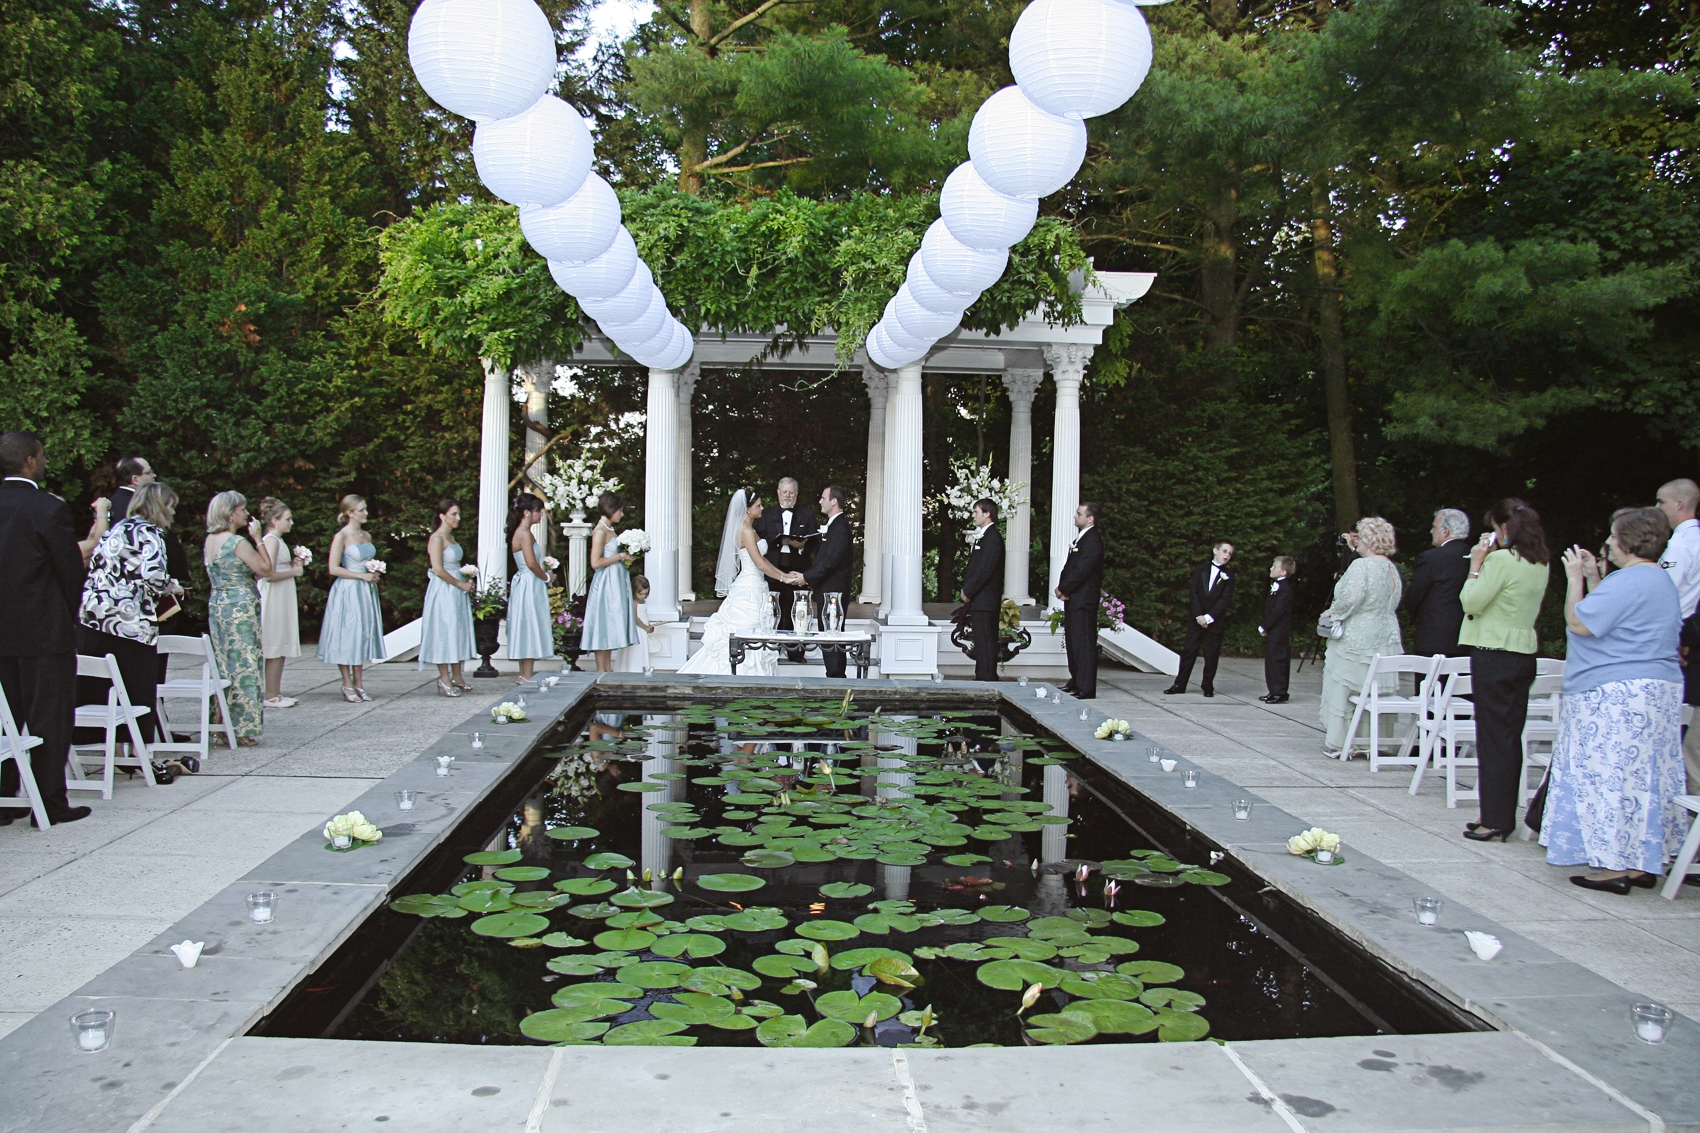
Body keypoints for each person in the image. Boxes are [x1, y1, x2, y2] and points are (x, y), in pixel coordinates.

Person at [1543, 508, 1686, 893]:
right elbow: (1618, 617)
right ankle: (1641, 860)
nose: (1608, 543)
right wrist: (1594, 577)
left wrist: (1574, 580)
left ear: (1625, 542)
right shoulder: (1656, 579)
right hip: (1657, 689)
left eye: (1612, 537)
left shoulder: (1630, 581)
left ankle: (1614, 865)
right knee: (1642, 777)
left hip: (1616, 693)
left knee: (1608, 775)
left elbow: (1580, 622)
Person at [0, 432, 91, 825]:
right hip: (43, 630)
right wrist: (66, 617)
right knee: (48, 718)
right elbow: (69, 570)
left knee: (5, 718)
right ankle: (49, 802)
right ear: (31, 462)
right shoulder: (46, 508)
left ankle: (4, 797)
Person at [1454, 498, 1552, 840]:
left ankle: (1495, 818)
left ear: (1505, 528)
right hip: (1523, 653)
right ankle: (1498, 814)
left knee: (1493, 738)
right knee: (1510, 737)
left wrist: (1476, 565)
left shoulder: (1499, 560)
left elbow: (1472, 601)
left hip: (1493, 653)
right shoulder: (1540, 561)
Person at [76, 482, 182, 773]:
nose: (172, 513)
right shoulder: (150, 533)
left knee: (103, 686)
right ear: (160, 507)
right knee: (138, 688)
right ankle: (139, 752)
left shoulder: (117, 528)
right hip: (130, 623)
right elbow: (153, 576)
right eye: (171, 506)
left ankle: (113, 747)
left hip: (95, 618)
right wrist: (175, 587)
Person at [679, 490, 793, 675]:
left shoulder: (749, 529)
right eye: (758, 505)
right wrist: (784, 578)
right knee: (749, 628)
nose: (762, 508)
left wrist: (784, 575)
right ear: (747, 509)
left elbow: (763, 562)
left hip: (756, 583)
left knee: (758, 628)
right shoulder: (745, 531)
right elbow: (759, 563)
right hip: (749, 587)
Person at [1318, 518, 1403, 758]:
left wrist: (1333, 613)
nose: (1357, 541)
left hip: (1357, 636)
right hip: (1386, 634)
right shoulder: (1391, 568)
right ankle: (1373, 741)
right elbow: (1393, 602)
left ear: (1369, 540)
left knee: (1345, 687)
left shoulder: (1362, 566)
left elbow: (1351, 598)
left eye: (1361, 536)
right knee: (1374, 690)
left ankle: (1342, 741)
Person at [203, 491, 271, 745]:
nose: (246, 513)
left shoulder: (211, 540)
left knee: (223, 664)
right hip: (240, 605)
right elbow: (266, 569)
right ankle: (243, 727)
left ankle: (219, 723)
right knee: (245, 664)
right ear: (231, 513)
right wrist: (258, 539)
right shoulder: (237, 542)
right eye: (242, 509)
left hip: (218, 603)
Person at [317, 494, 386, 701]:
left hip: (365, 591)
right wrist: (361, 575)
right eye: (361, 510)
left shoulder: (366, 536)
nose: (365, 513)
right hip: (348, 589)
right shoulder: (342, 536)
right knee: (348, 634)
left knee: (362, 633)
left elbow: (368, 560)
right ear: (349, 513)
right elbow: (333, 568)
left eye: (365, 509)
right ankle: (347, 684)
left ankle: (359, 682)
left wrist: (374, 572)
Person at [756, 477, 817, 660]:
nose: (787, 495)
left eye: (791, 492)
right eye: (784, 492)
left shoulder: (807, 514)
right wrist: (777, 540)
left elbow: (815, 540)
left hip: (797, 569)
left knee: (798, 609)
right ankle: (772, 649)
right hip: (773, 568)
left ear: (796, 494)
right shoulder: (767, 514)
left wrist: (802, 546)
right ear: (778, 493)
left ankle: (795, 651)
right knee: (773, 608)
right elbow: (760, 536)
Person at [420, 498, 476, 696]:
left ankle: (457, 675)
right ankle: (444, 678)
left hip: (457, 591)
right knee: (444, 630)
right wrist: (460, 583)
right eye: (454, 514)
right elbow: (437, 569)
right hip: (444, 590)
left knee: (457, 630)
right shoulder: (437, 539)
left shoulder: (451, 538)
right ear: (442, 516)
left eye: (458, 513)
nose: (458, 518)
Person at [798, 485, 855, 679]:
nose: (820, 501)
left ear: (834, 501)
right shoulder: (835, 525)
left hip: (834, 592)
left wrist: (805, 577)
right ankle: (835, 676)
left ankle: (837, 678)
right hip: (829, 590)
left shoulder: (840, 527)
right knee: (829, 634)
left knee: (832, 634)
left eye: (823, 498)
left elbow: (830, 562)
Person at [1165, 541, 1235, 698]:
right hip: (1196, 620)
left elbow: (1225, 600)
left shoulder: (1229, 576)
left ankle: (1208, 685)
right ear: (1215, 550)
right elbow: (1194, 593)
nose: (1227, 555)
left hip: (1214, 621)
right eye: (1224, 551)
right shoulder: (1200, 570)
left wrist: (1209, 617)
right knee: (1189, 652)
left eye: (1230, 553)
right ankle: (1179, 684)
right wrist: (1198, 616)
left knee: (1211, 655)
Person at [1402, 508, 1472, 658]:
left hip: (1433, 637)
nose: (1431, 531)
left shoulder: (1431, 558)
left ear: (1445, 531)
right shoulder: (1476, 556)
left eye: (1434, 527)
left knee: (1429, 681)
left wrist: (1416, 619)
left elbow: (1415, 595)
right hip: (1468, 635)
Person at [256, 497, 305, 708]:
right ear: (275, 520)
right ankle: (270, 694)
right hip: (274, 594)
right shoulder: (271, 540)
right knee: (273, 641)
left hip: (282, 592)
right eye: (287, 519)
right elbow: (267, 574)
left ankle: (275, 691)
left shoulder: (278, 540)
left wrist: (293, 564)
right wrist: (294, 571)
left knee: (281, 640)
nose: (291, 523)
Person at [581, 492, 637, 672]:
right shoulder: (600, 531)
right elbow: (595, 562)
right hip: (606, 583)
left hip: (616, 580)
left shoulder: (610, 529)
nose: (621, 514)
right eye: (620, 510)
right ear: (612, 509)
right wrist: (620, 556)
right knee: (603, 622)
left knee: (610, 622)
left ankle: (607, 668)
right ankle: (601, 669)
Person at [1056, 502, 1104, 699]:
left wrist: (1065, 588)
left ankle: (1086, 686)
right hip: (1074, 599)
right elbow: (1070, 567)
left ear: (1090, 518)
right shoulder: (1081, 539)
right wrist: (1062, 588)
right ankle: (1075, 680)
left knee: (1083, 643)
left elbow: (1082, 570)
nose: (1075, 517)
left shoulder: (1093, 540)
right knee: (1074, 642)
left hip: (1083, 600)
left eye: (1079, 514)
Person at [505, 493, 555, 683]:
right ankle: (525, 674)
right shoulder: (523, 534)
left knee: (530, 624)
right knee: (527, 623)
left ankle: (526, 673)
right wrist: (547, 577)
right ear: (526, 512)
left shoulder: (526, 532)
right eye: (537, 511)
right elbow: (531, 563)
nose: (540, 515)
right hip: (528, 581)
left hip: (530, 582)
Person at [959, 497, 1005, 682]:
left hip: (986, 598)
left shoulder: (992, 538)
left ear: (987, 514)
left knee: (986, 639)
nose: (973, 515)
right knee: (981, 639)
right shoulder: (985, 536)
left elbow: (985, 569)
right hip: (981, 599)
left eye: (976, 512)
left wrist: (968, 590)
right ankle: (983, 674)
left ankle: (987, 677)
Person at [1655, 478, 1700, 619]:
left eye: (1661, 501)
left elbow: (1660, 591)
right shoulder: (1694, 538)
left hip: (1675, 626)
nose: (1657, 507)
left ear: (1679, 504)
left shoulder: (1680, 544)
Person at [1259, 556, 1296, 703]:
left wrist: (1265, 625)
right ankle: (1273, 690)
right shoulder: (1278, 586)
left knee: (1278, 661)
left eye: (1274, 567)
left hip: (1279, 631)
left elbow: (1277, 611)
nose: (1271, 568)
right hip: (1274, 630)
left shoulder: (1285, 589)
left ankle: (1280, 692)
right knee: (1271, 661)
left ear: (1283, 572)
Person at [612, 575, 656, 673]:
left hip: (643, 629)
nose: (643, 596)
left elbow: (644, 616)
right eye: (641, 594)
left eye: (645, 593)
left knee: (642, 650)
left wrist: (650, 626)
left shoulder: (643, 601)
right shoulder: (633, 602)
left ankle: (642, 669)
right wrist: (645, 627)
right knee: (635, 650)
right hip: (637, 629)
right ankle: (631, 669)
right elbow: (635, 618)